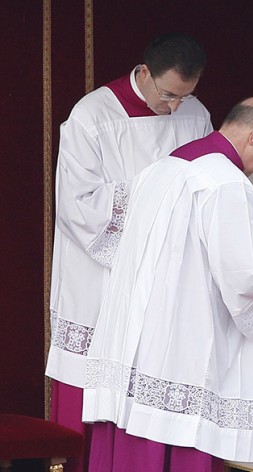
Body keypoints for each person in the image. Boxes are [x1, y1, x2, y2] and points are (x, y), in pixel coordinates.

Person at [79, 96, 253, 470]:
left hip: (137, 344)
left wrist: (251, 235)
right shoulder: (226, 182)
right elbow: (243, 279)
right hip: (179, 350)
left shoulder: (163, 168)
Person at [45, 32, 212, 472]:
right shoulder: (93, 116)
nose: (176, 107)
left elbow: (211, 184)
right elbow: (78, 205)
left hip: (168, 279)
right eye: (169, 95)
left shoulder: (195, 114)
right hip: (102, 278)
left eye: (186, 95)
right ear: (144, 72)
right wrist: (155, 198)